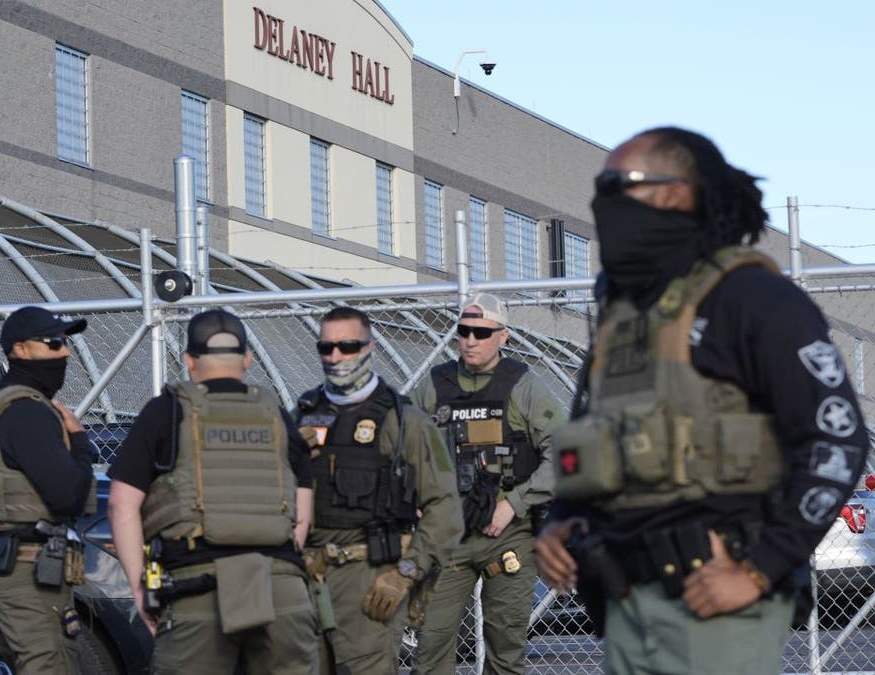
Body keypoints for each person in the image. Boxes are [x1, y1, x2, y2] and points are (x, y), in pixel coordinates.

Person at [535, 126, 870, 674]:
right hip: (621, 593)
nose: (602, 202)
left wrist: (758, 569)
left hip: (715, 599)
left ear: (676, 193)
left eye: (617, 185)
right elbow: (590, 435)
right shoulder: (623, 310)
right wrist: (561, 520)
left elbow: (838, 439)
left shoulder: (753, 297)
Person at [106, 309, 318, 674]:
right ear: (247, 359)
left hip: (197, 587)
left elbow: (120, 505)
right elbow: (303, 505)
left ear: (189, 360)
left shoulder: (166, 412)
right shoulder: (276, 414)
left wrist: (141, 589)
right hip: (279, 587)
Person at [296, 306, 461, 674]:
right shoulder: (304, 414)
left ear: (369, 347)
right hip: (307, 578)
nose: (335, 356)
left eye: (348, 346)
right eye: (326, 347)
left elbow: (445, 509)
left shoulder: (404, 422)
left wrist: (406, 572)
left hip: (370, 578)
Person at [410, 292, 561, 675]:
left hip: (507, 536)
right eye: (463, 331)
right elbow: (399, 444)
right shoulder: (435, 385)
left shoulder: (523, 386)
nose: (470, 340)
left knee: (505, 652)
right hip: (449, 535)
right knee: (430, 646)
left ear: (503, 336)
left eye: (481, 332)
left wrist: (515, 503)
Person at [0, 305, 97, 674]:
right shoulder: (25, 411)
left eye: (66, 342)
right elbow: (68, 494)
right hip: (29, 578)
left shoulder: (5, 403)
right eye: (53, 343)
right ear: (20, 349)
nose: (65, 351)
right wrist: (80, 443)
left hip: (23, 575)